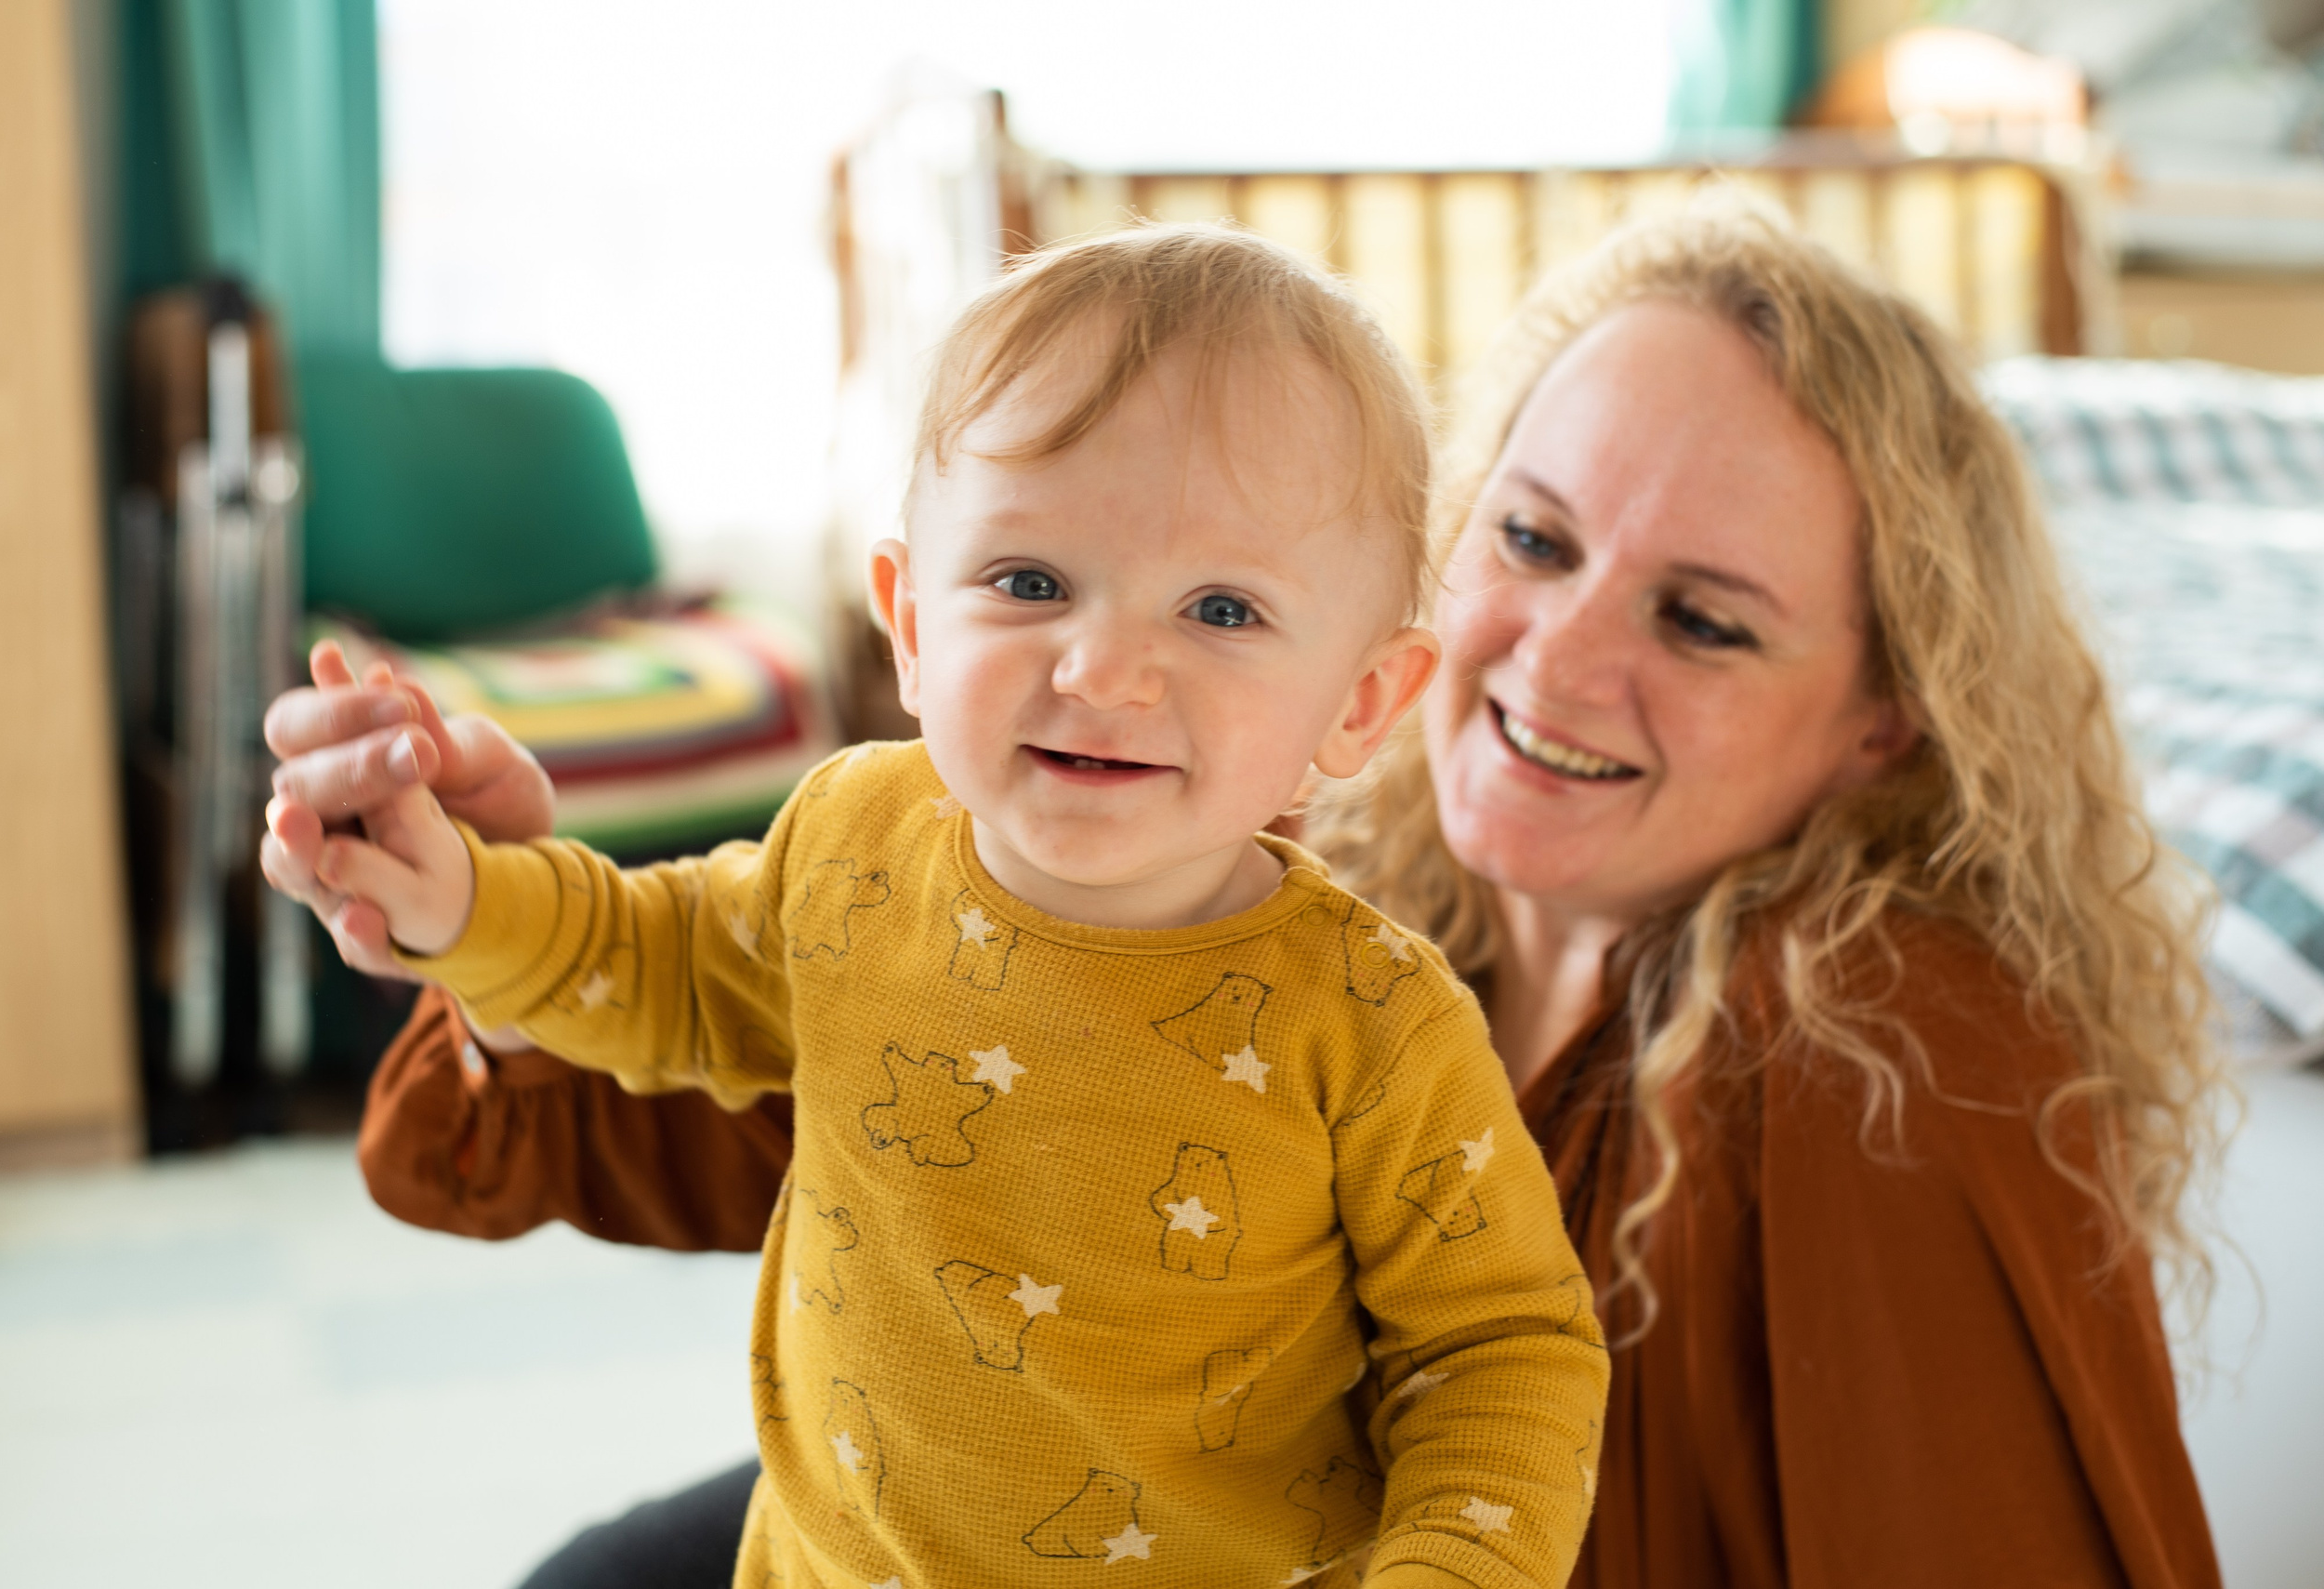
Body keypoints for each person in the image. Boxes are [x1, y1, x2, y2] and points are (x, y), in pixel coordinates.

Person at [267, 201, 2226, 1588]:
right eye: (1525, 541)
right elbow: (803, 1091)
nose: (1545, 659)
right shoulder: (1275, 855)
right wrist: (505, 914)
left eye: (1700, 621)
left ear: (1885, 717)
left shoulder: (1883, 1061)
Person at [289, 225, 1609, 1589]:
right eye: (1030, 583)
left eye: (1220, 609)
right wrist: (461, 894)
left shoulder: (1375, 1023)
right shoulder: (853, 838)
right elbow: (653, 962)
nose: (1104, 670)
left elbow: (1501, 1348)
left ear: (1362, 702)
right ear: (911, 624)